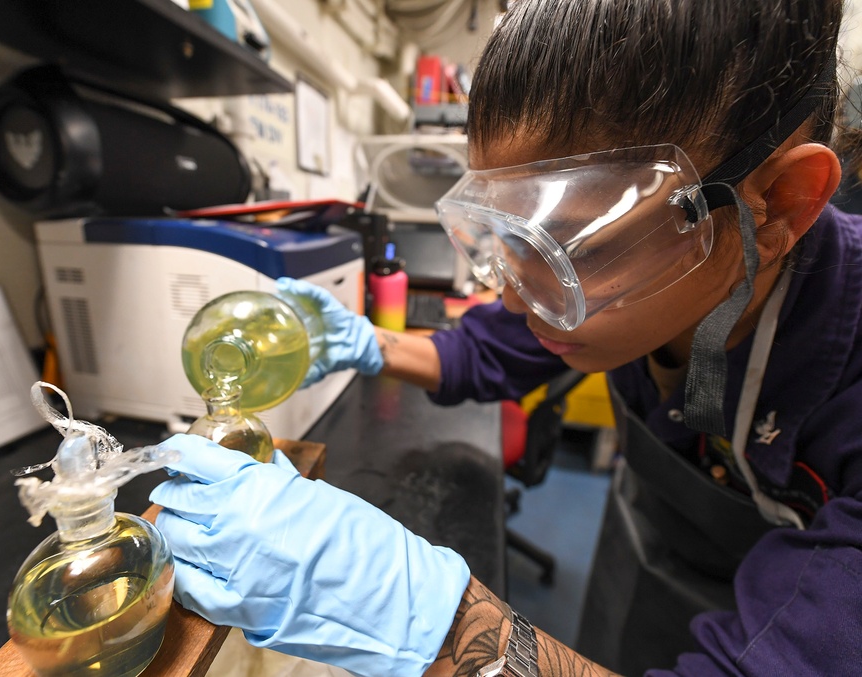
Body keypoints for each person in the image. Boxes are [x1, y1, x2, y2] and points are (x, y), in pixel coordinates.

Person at [150, 1, 862, 675]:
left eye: (568, 250)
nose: (516, 298)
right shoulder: (668, 276)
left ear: (775, 206)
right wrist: (365, 342)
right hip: (652, 558)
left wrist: (434, 624)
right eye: (509, 238)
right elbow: (487, 347)